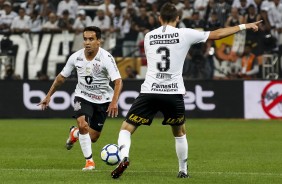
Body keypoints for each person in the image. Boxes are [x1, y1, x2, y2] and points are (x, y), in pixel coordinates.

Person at [110, 2, 261, 179]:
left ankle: (124, 156)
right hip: (173, 92)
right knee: (179, 132)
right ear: (178, 18)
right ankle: (183, 170)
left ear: (159, 18)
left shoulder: (149, 36)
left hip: (150, 90)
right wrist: (244, 25)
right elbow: (217, 34)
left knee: (126, 129)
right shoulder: (184, 33)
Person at [38, 26, 123, 171]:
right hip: (82, 96)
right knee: (83, 124)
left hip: (103, 100)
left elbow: (118, 81)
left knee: (93, 137)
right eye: (85, 39)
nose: (87, 42)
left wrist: (114, 101)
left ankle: (74, 133)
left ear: (99, 41)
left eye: (91, 39)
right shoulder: (75, 57)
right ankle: (89, 162)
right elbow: (61, 78)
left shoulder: (106, 58)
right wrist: (48, 95)